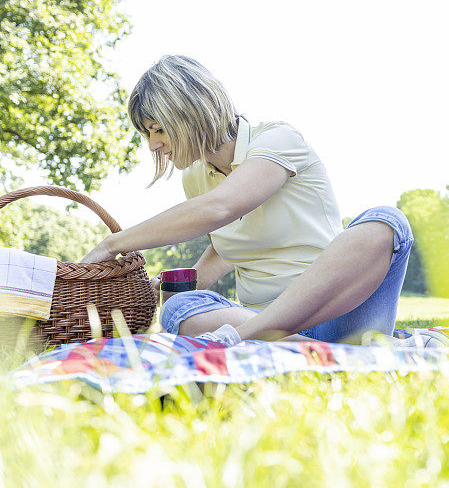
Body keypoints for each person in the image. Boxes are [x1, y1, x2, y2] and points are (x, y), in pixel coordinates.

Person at [81, 55, 418, 347]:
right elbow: (225, 247)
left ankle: (257, 339)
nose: (154, 145)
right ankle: (312, 353)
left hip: (339, 312)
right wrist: (166, 289)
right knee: (179, 309)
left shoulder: (277, 139)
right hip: (256, 318)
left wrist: (113, 244)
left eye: (159, 130)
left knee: (386, 221)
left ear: (189, 113)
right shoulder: (195, 178)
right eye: (147, 134)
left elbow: (221, 208)